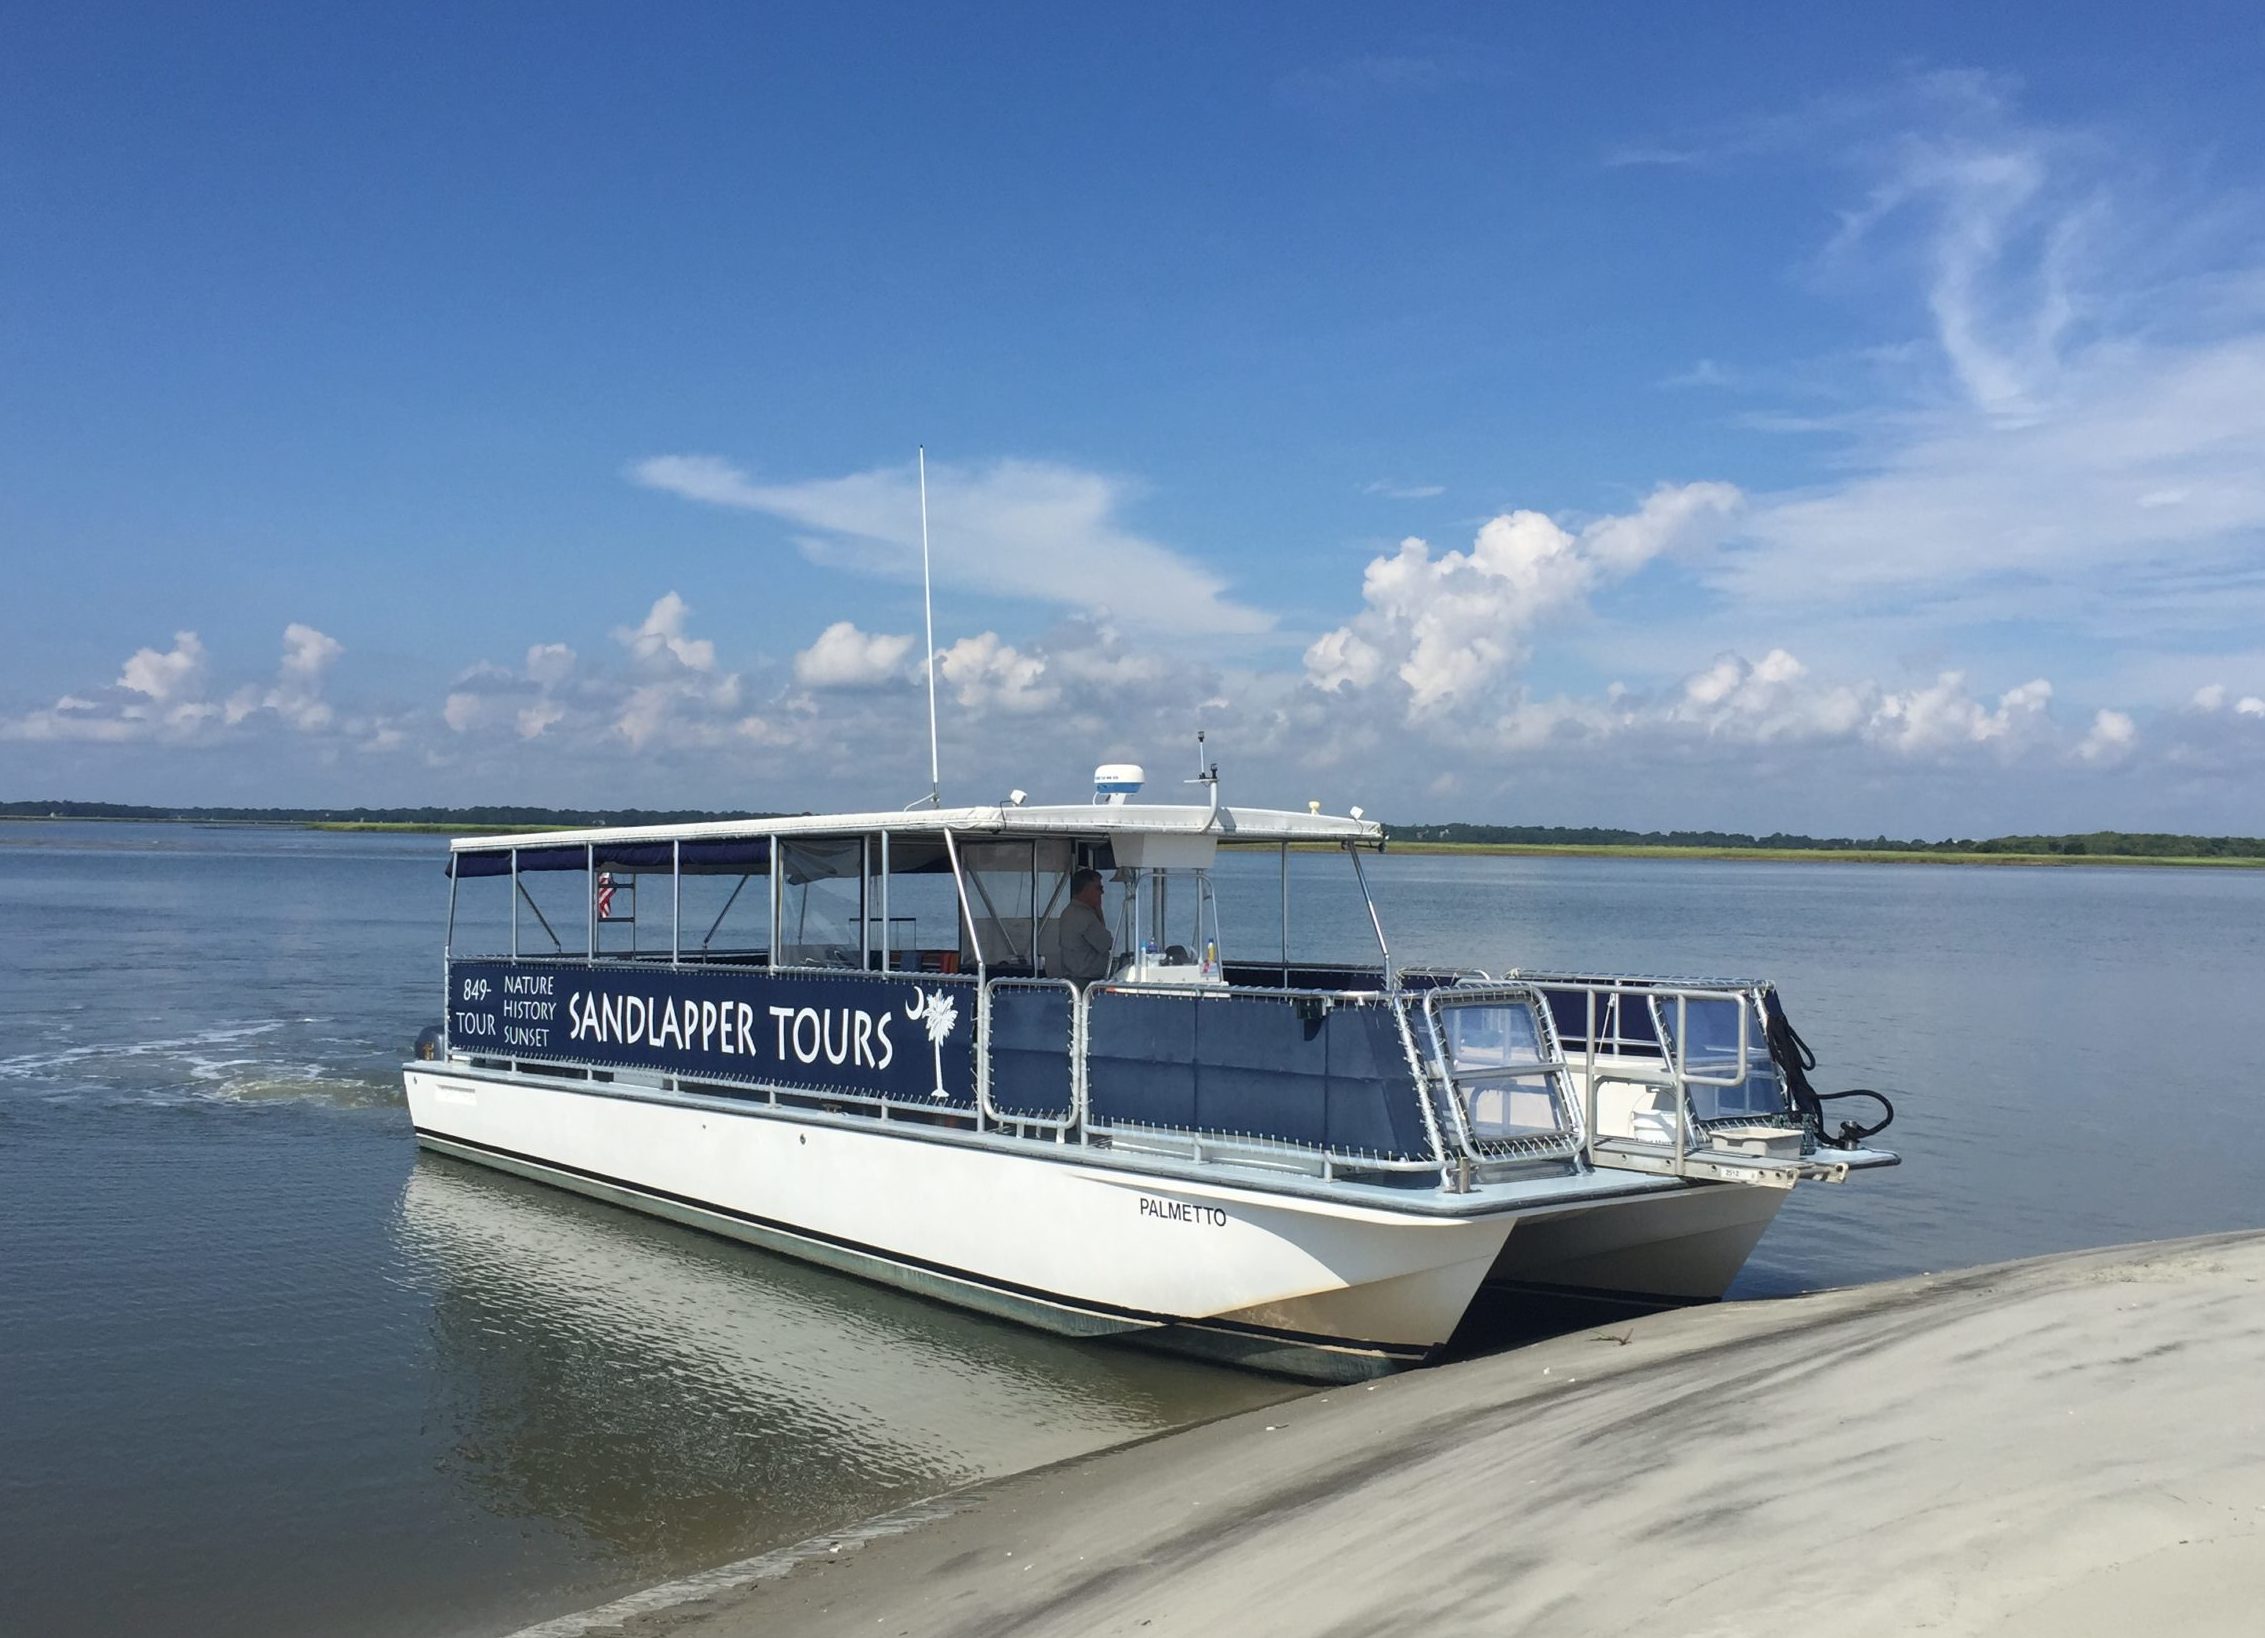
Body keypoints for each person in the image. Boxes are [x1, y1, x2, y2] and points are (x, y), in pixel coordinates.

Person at [1056, 867, 1114, 985]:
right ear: (1086, 890)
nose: (1102, 892)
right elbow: (1107, 943)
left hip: (1072, 979)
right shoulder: (1085, 917)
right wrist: (1098, 909)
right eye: (1099, 888)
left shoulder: (1068, 912)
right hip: (1086, 983)